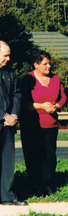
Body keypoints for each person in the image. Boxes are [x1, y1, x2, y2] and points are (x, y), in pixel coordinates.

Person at [20, 50, 67, 196]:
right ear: (36, 65)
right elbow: (23, 104)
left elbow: (63, 97)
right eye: (45, 64)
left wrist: (57, 106)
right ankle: (35, 187)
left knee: (49, 157)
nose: (49, 66)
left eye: (49, 63)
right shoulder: (27, 80)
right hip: (32, 126)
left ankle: (49, 185)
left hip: (51, 125)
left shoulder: (55, 79)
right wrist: (42, 106)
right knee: (34, 157)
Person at [0, 41, 26, 206]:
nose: (9, 59)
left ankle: (6, 196)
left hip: (9, 125)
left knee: (7, 160)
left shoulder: (10, 73)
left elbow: (17, 94)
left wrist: (14, 115)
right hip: (4, 119)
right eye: (5, 55)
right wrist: (3, 116)